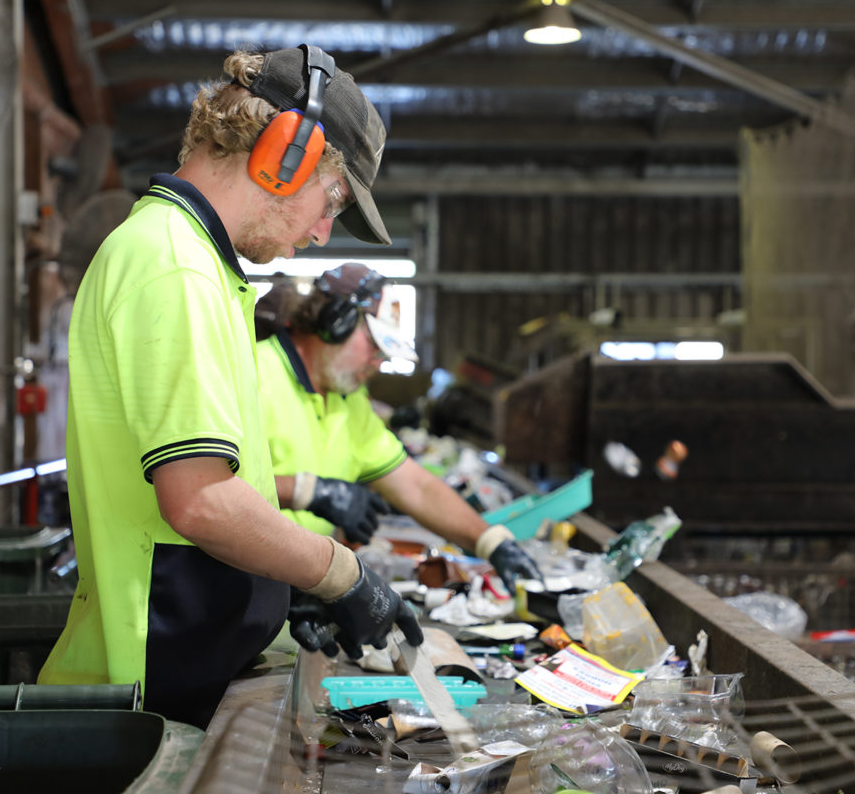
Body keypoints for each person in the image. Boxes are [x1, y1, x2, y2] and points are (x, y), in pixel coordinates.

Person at [38, 46, 422, 731]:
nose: (322, 232)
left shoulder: (192, 261)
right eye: (331, 201)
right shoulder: (174, 268)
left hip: (181, 661)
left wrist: (277, 586)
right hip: (155, 689)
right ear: (286, 155)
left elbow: (219, 486)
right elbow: (203, 503)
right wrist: (340, 574)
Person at [256, 263, 543, 589]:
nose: (378, 363)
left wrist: (490, 541)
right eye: (374, 346)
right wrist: (307, 491)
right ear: (335, 322)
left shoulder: (347, 400)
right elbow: (202, 484)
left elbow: (414, 485)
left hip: (299, 588)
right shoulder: (254, 373)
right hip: (244, 586)